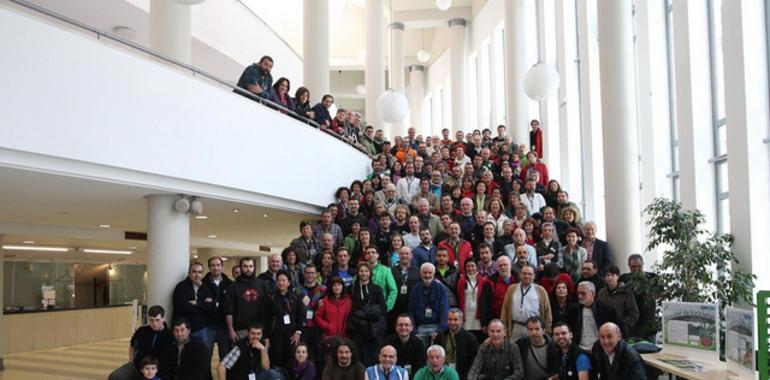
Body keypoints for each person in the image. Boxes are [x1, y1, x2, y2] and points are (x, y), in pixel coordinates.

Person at [109, 305, 172, 380]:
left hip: (158, 369)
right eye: (151, 320)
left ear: (163, 318)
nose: (154, 323)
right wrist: (131, 360)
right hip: (138, 365)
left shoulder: (169, 335)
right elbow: (132, 345)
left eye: (157, 320)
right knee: (116, 376)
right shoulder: (142, 331)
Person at [171, 261, 216, 362]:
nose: (197, 275)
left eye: (200, 272)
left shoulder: (204, 288)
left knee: (203, 357)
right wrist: (204, 305)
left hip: (201, 329)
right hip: (183, 330)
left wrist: (197, 303)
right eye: (194, 272)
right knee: (184, 358)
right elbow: (182, 307)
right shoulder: (181, 287)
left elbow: (212, 307)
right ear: (189, 273)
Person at [349, 262, 389, 366]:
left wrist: (365, 312)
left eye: (366, 271)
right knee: (360, 357)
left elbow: (383, 308)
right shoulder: (352, 289)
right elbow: (352, 309)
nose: (364, 273)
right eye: (361, 271)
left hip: (375, 331)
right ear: (358, 273)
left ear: (370, 273)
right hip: (359, 329)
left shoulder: (377, 288)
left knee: (374, 357)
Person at [225, 257, 272, 343]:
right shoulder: (233, 287)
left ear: (254, 267)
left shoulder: (262, 285)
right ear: (241, 267)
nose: (248, 269)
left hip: (259, 329)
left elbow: (268, 309)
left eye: (251, 266)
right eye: (245, 266)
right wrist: (231, 330)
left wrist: (267, 332)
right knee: (242, 355)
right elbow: (228, 311)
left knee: (259, 355)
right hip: (241, 328)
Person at [500, 265, 553, 341]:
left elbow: (547, 310)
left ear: (534, 276)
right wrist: (504, 328)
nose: (527, 276)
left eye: (530, 274)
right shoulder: (511, 289)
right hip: (516, 327)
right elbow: (505, 309)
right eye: (524, 273)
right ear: (520, 275)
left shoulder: (540, 290)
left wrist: (547, 329)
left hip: (534, 328)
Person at [216, 324, 281, 380]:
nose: (255, 337)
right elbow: (221, 367)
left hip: (252, 376)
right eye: (253, 333)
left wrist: (263, 350)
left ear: (262, 335)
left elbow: (266, 368)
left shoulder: (262, 345)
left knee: (278, 374)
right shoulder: (239, 348)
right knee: (272, 374)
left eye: (258, 334)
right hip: (239, 378)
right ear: (248, 333)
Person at [408, 262, 450, 347]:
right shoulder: (415, 289)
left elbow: (444, 311)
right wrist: (414, 331)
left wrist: (439, 331)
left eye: (430, 273)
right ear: (420, 273)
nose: (427, 275)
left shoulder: (441, 288)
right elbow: (410, 311)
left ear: (434, 273)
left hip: (436, 327)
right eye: (424, 272)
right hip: (420, 328)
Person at [571, 281, 621, 350]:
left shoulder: (606, 310)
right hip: (580, 349)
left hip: (601, 348)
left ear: (593, 294)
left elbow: (617, 329)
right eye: (578, 293)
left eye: (583, 293)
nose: (579, 296)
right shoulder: (574, 311)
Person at [619, 254, 658, 341]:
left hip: (648, 323)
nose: (636, 269)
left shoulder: (652, 278)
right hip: (631, 324)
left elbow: (659, 295)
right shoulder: (623, 279)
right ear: (629, 266)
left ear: (643, 265)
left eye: (639, 266)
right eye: (633, 267)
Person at [203, 256, 234, 361]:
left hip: (224, 326)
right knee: (206, 356)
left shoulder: (229, 284)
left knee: (225, 357)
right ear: (209, 267)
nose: (215, 268)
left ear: (222, 266)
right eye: (212, 265)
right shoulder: (202, 284)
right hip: (207, 326)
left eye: (218, 265)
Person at [435, 308, 479, 380]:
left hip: (463, 376)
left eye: (455, 320)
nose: (452, 322)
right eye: (450, 319)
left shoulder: (470, 338)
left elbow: (475, 361)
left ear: (461, 321)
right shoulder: (441, 336)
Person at [456, 258, 493, 342]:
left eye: (472, 266)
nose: (470, 268)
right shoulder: (461, 281)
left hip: (479, 319)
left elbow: (487, 303)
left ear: (476, 267)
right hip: (466, 319)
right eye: (468, 266)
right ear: (465, 268)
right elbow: (458, 297)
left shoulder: (484, 282)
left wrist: (485, 322)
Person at [596, 265, 639, 336]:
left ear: (618, 276)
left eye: (612, 275)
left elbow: (634, 313)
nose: (609, 277)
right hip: (604, 328)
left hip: (621, 330)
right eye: (607, 275)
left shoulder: (626, 291)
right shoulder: (601, 293)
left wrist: (623, 324)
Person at [391, 246, 422, 329]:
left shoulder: (418, 271)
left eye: (407, 253)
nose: (404, 255)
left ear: (411, 256)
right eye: (402, 254)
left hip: (412, 306)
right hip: (395, 307)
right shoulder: (391, 271)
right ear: (398, 256)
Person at [364, 246, 398, 312]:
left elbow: (393, 290)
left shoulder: (386, 270)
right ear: (365, 256)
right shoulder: (361, 271)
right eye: (368, 253)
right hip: (364, 309)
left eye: (373, 252)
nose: (371, 254)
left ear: (377, 255)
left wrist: (386, 307)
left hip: (380, 308)